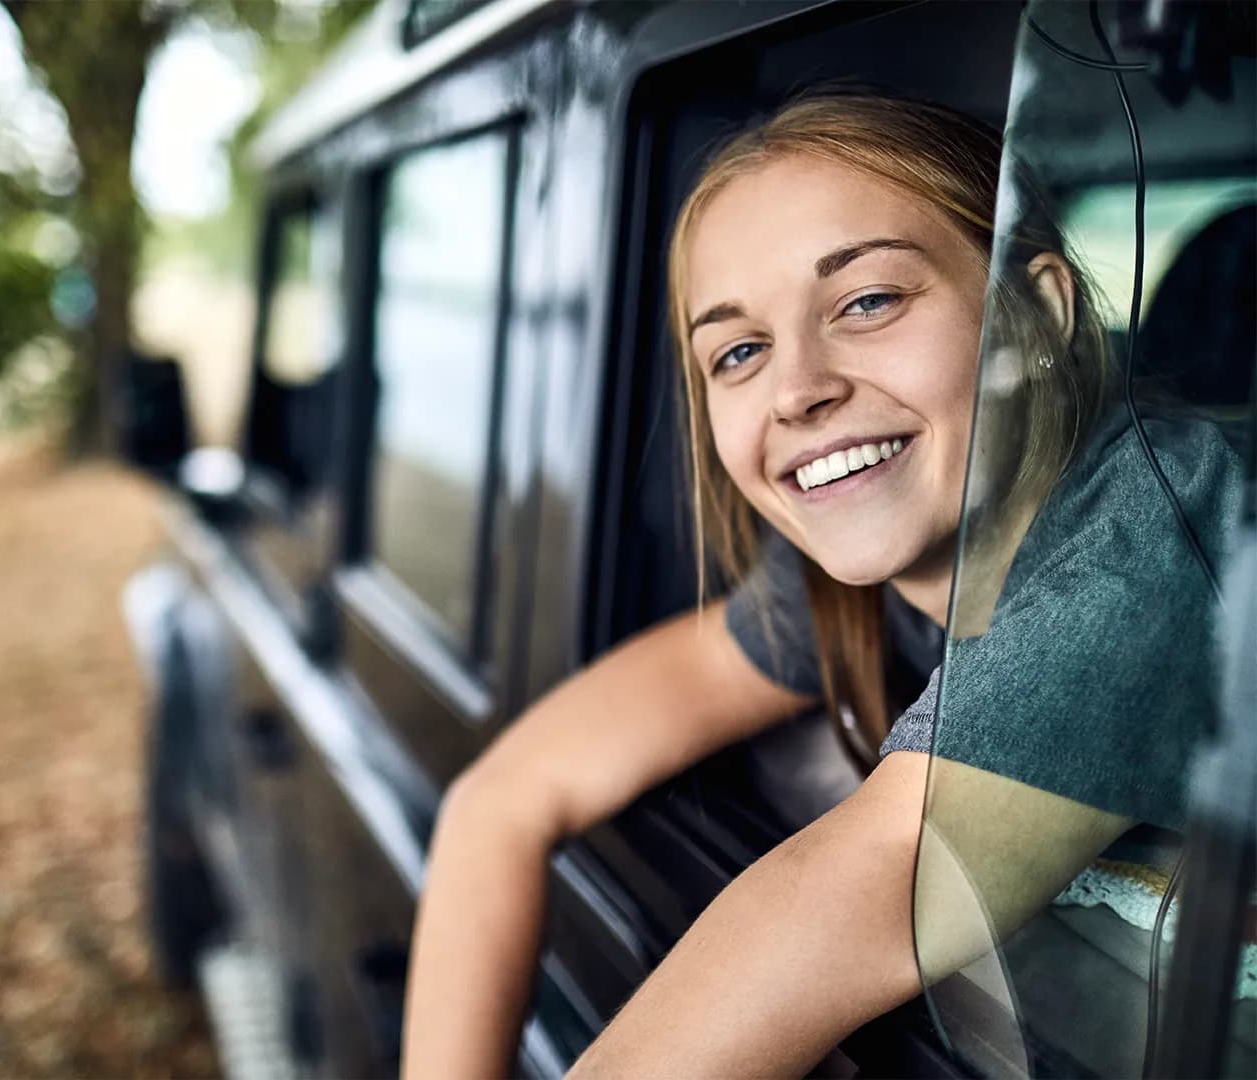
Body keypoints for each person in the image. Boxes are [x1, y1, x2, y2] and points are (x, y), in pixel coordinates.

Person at [399, 92, 1241, 1078]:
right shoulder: (858, 574)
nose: (798, 388)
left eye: (869, 301)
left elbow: (885, 875)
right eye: (740, 351)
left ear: (1036, 317)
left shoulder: (1156, 539)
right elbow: (503, 796)